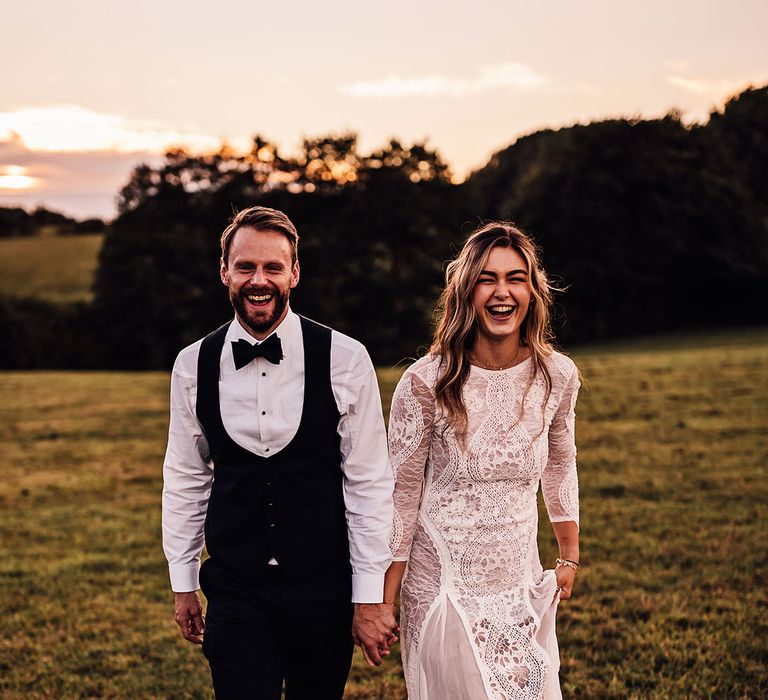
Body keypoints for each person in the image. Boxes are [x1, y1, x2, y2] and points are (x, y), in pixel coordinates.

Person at [161, 206, 398, 699]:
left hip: (323, 587)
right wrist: (183, 580)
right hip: (236, 588)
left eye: (272, 267)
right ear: (224, 270)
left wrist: (369, 596)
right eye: (245, 267)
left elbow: (369, 482)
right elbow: (185, 476)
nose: (258, 280)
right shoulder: (192, 365)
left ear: (295, 272)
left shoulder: (346, 359)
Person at [384, 221, 581, 700]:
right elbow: (399, 498)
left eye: (515, 278)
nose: (502, 292)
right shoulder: (424, 382)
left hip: (520, 586)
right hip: (442, 587)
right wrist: (380, 601)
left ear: (533, 293)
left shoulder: (557, 376)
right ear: (465, 291)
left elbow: (560, 465)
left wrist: (568, 556)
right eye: (487, 279)